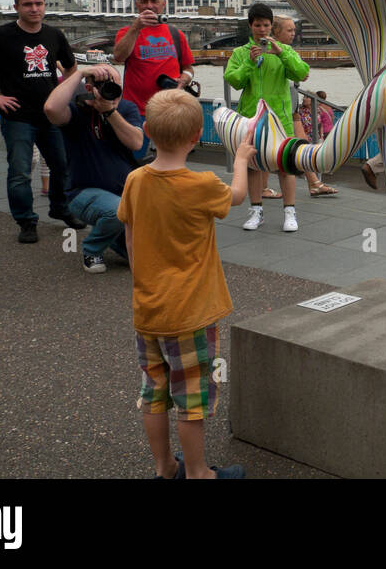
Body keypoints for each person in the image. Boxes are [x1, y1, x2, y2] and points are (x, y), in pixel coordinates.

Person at [117, 90, 252, 479]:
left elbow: (129, 237)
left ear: (147, 131)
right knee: (191, 399)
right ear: (197, 135)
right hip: (190, 313)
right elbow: (238, 196)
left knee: (154, 393)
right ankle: (198, 473)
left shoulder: (135, 180)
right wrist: (241, 159)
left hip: (149, 309)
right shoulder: (202, 184)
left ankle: (164, 468)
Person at [0, 0, 84, 243]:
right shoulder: (0, 36)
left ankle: (60, 208)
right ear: (16, 7)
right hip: (18, 116)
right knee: (20, 172)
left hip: (51, 114)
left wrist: (63, 94)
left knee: (62, 166)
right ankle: (26, 221)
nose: (34, 8)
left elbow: (73, 69)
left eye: (39, 3)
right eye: (28, 4)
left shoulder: (54, 35)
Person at [43, 63, 143, 273]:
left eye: (116, 86)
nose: (112, 91)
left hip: (124, 192)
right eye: (105, 86)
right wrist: (79, 73)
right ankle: (92, 248)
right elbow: (50, 108)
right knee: (117, 212)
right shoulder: (75, 110)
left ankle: (114, 239)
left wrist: (110, 112)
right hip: (82, 193)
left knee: (146, 255)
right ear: (89, 89)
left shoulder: (126, 108)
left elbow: (136, 143)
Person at [224, 4, 311, 230]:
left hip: (280, 119)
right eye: (257, 25)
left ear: (271, 26)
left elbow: (302, 73)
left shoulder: (283, 49)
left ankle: (290, 213)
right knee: (253, 166)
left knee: (285, 165)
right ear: (250, 26)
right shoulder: (241, 53)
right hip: (251, 118)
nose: (262, 30)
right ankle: (256, 211)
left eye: (266, 25)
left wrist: (281, 54)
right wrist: (249, 63)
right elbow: (234, 81)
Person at [111, 0, 194, 127]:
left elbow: (188, 68)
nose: (149, 6)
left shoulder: (175, 34)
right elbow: (119, 57)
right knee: (136, 148)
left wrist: (184, 79)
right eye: (144, 1)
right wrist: (136, 27)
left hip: (169, 109)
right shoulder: (127, 32)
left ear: (163, 4)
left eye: (154, 1)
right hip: (136, 112)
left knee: (170, 149)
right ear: (137, 5)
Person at [276, 17, 336, 198]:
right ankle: (313, 182)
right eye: (289, 30)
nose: (293, 34)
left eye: (294, 30)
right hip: (279, 106)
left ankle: (314, 182)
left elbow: (303, 72)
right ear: (276, 31)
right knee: (294, 145)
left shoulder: (288, 51)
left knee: (298, 143)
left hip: (290, 105)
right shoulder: (272, 52)